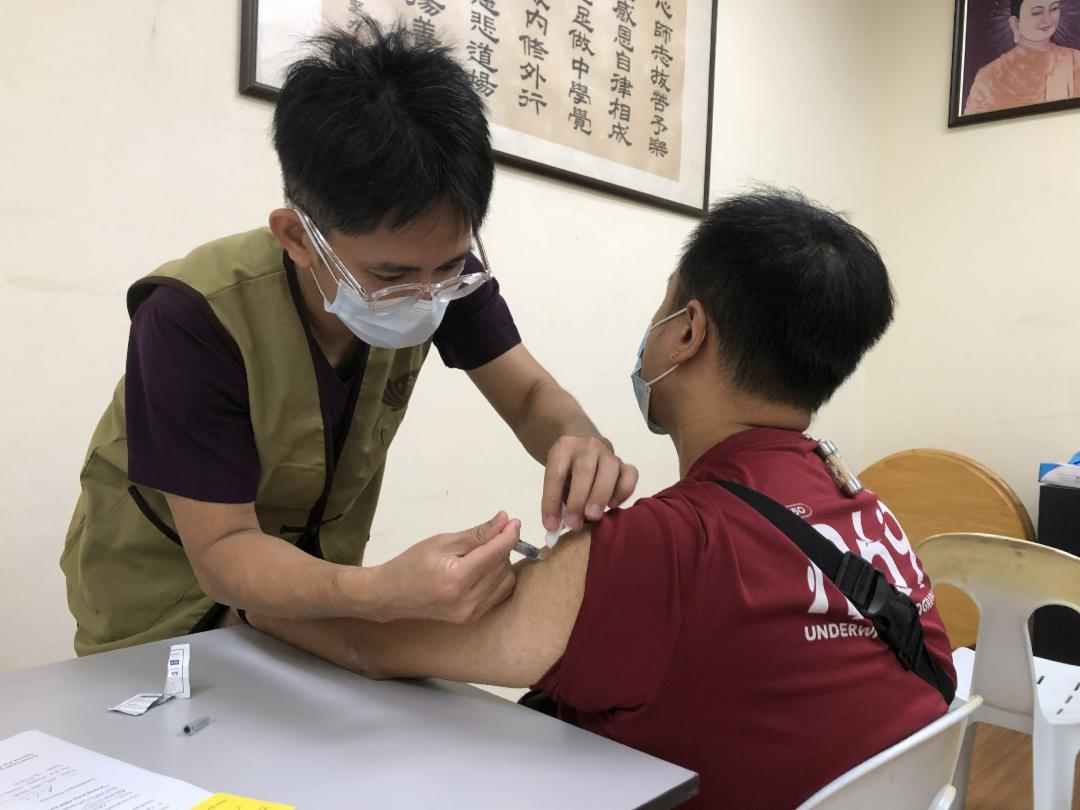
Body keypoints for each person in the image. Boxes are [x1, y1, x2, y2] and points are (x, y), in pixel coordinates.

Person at [246, 189, 957, 809]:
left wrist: (245, 600)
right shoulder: (871, 514)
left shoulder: (662, 550)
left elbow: (366, 643)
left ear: (686, 332)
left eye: (664, 304)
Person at [60, 21, 637, 656]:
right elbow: (223, 550)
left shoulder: (441, 276)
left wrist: (576, 438)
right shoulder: (190, 317)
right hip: (167, 592)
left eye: (450, 265)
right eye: (390, 277)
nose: (427, 295)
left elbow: (528, 395)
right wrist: (381, 593)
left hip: (314, 581)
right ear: (297, 237)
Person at [965, 0, 1080, 114]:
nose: (1047, 19)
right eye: (1036, 12)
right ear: (1015, 22)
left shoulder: (1075, 61)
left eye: (1054, 8)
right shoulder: (989, 75)